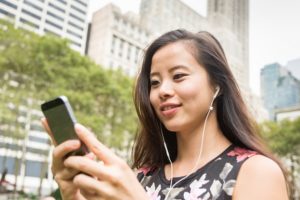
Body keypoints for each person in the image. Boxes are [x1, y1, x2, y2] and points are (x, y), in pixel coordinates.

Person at [42, 29, 289, 200]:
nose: (163, 91)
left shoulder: (256, 171)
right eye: (155, 82)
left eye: (179, 76)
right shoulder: (141, 177)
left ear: (217, 85)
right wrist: (71, 194)